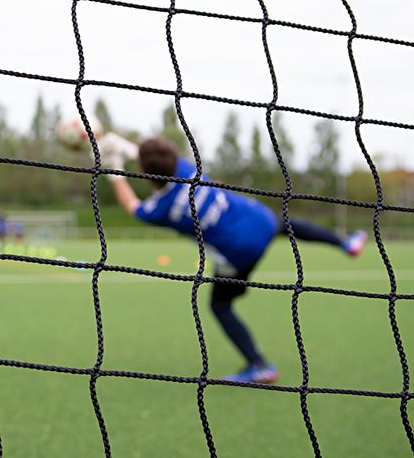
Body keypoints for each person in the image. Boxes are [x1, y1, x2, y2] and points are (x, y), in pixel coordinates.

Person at [100, 134, 367, 384]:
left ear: (145, 173)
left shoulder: (162, 209)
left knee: (221, 306)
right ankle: (346, 243)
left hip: (238, 253)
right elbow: (161, 161)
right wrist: (126, 146)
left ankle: (260, 365)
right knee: (287, 223)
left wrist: (115, 173)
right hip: (259, 221)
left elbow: (134, 206)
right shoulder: (186, 170)